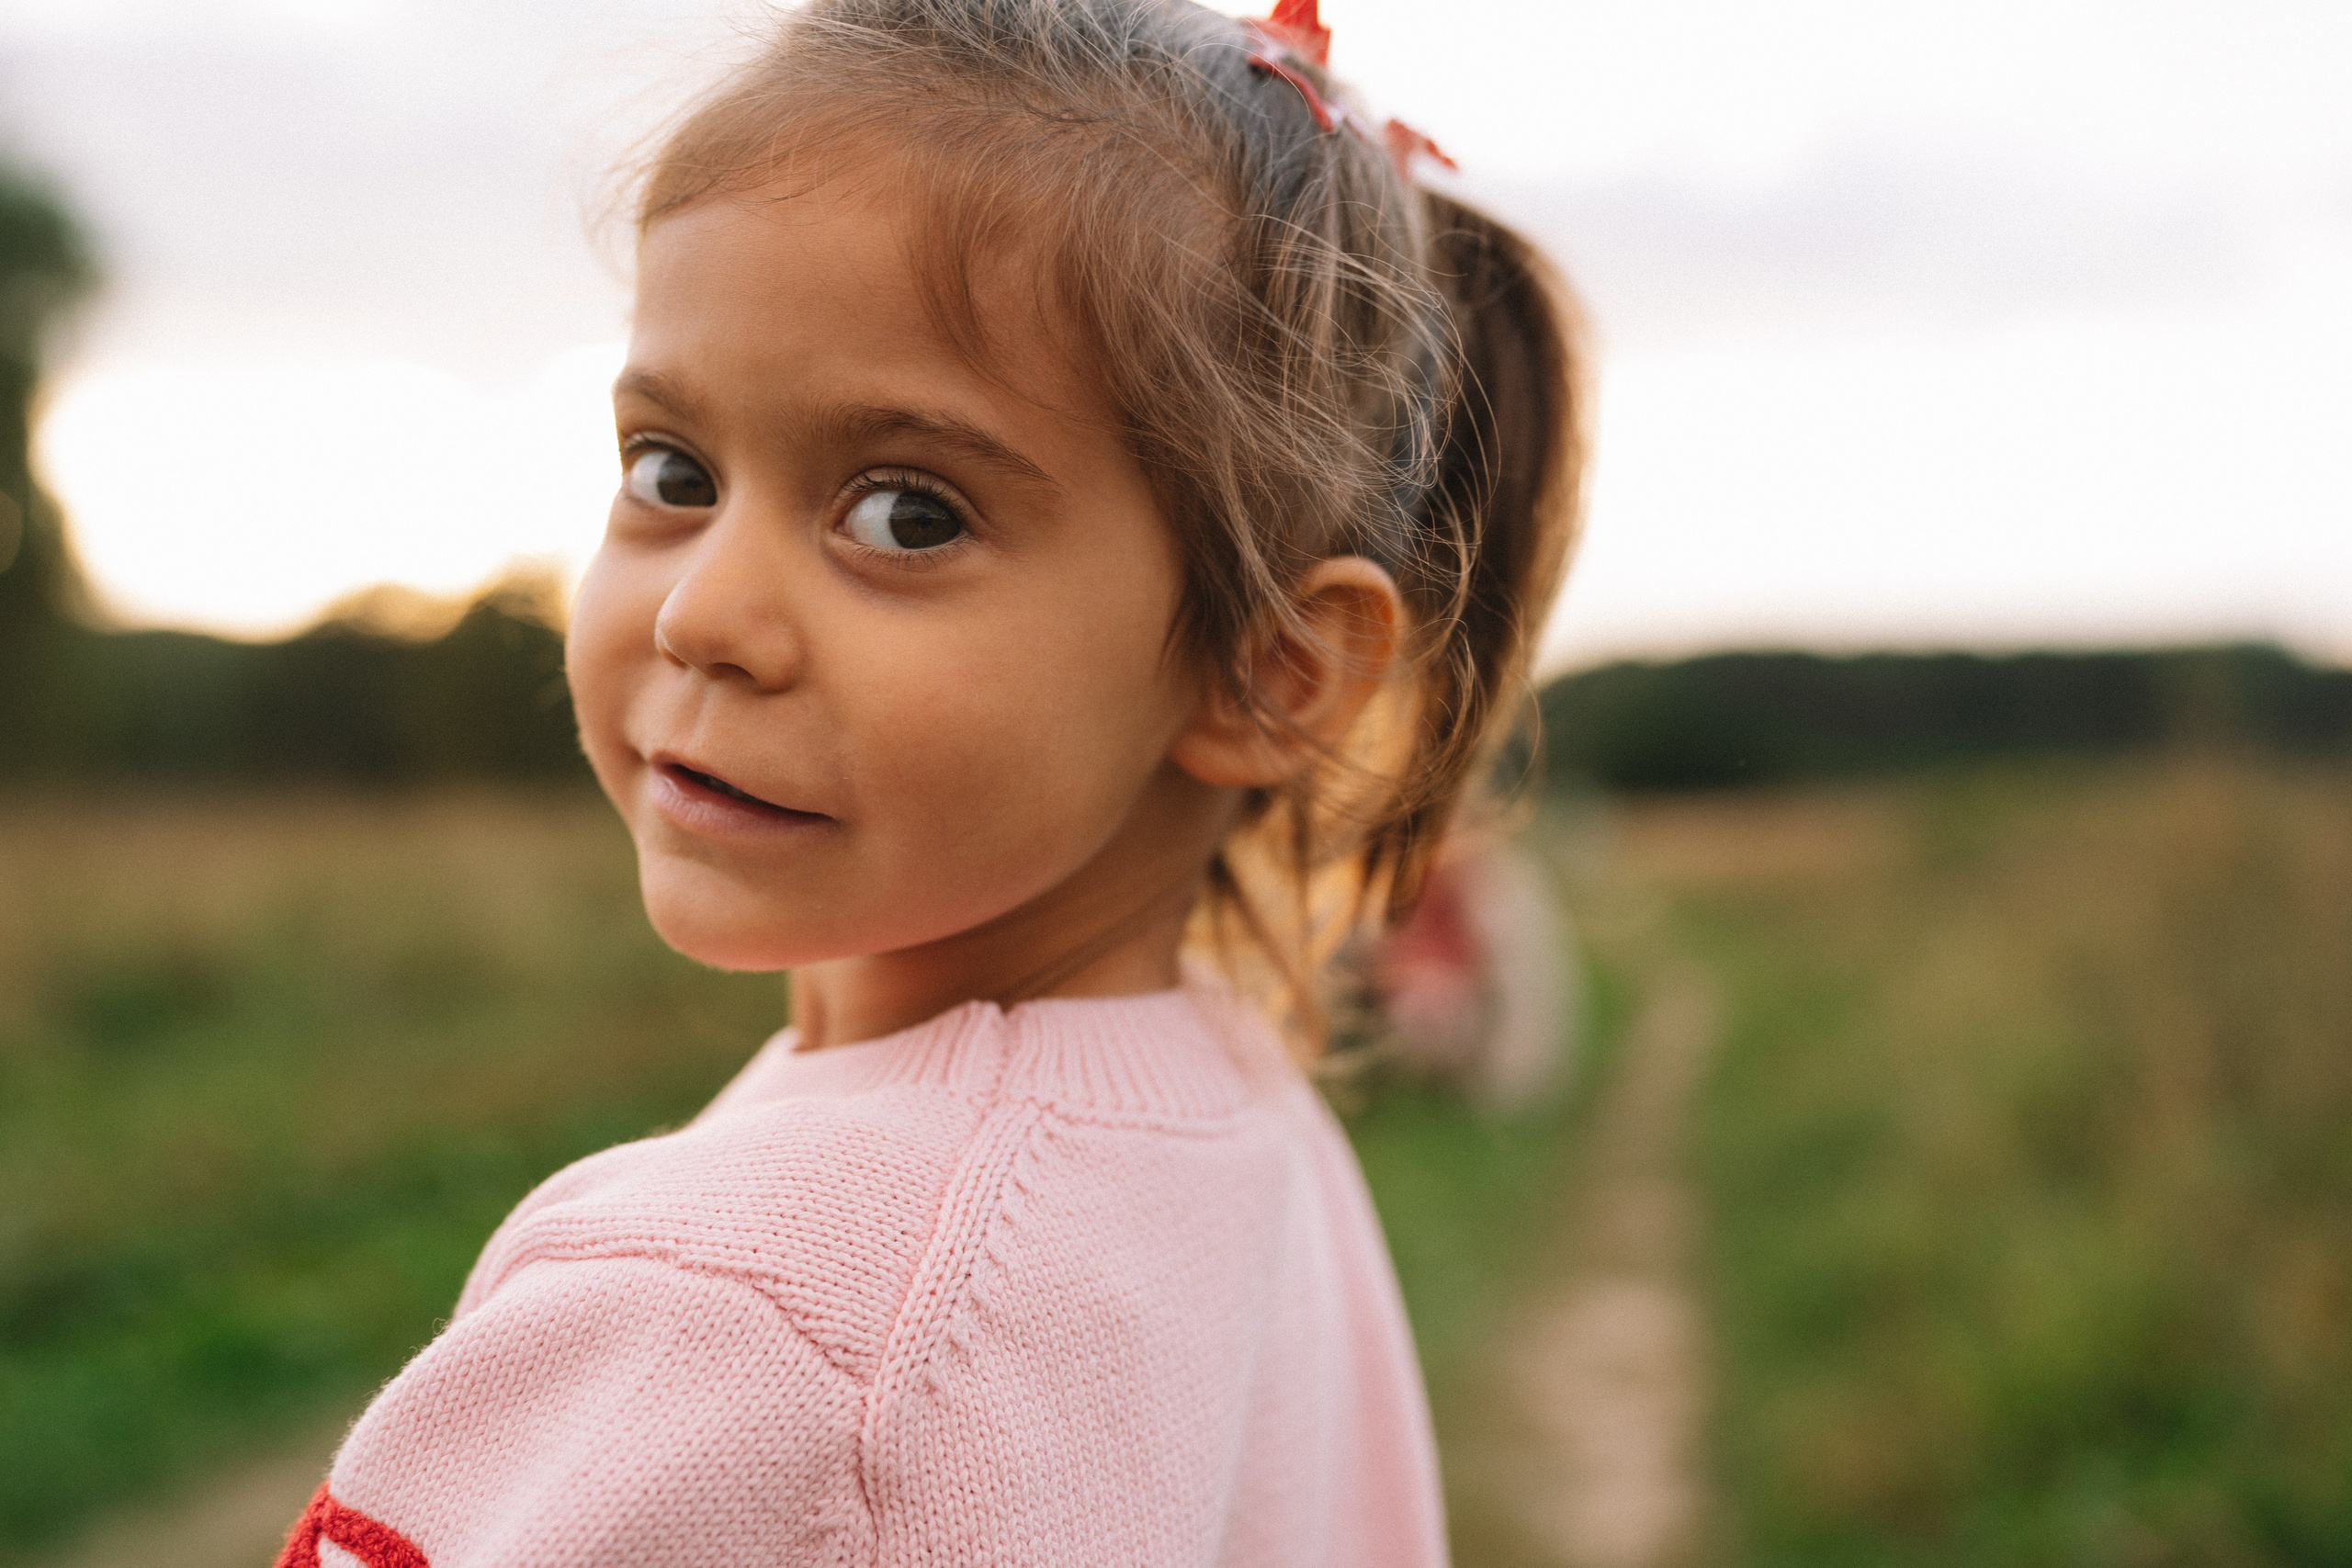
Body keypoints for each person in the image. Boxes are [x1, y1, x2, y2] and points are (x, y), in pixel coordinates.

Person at [277, 0, 1585, 1562]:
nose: (702, 613)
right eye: (670, 472)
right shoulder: (1239, 1120)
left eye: (905, 514)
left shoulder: (747, 1316)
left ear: (1266, 672)